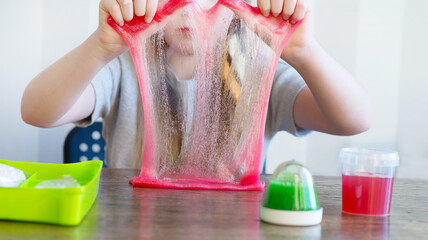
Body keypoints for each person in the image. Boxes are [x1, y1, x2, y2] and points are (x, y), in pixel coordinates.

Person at [21, 0, 373, 170]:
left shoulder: (257, 70)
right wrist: (100, 47)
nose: (189, 7)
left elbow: (354, 120)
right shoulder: (123, 68)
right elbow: (36, 111)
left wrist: (303, 52)